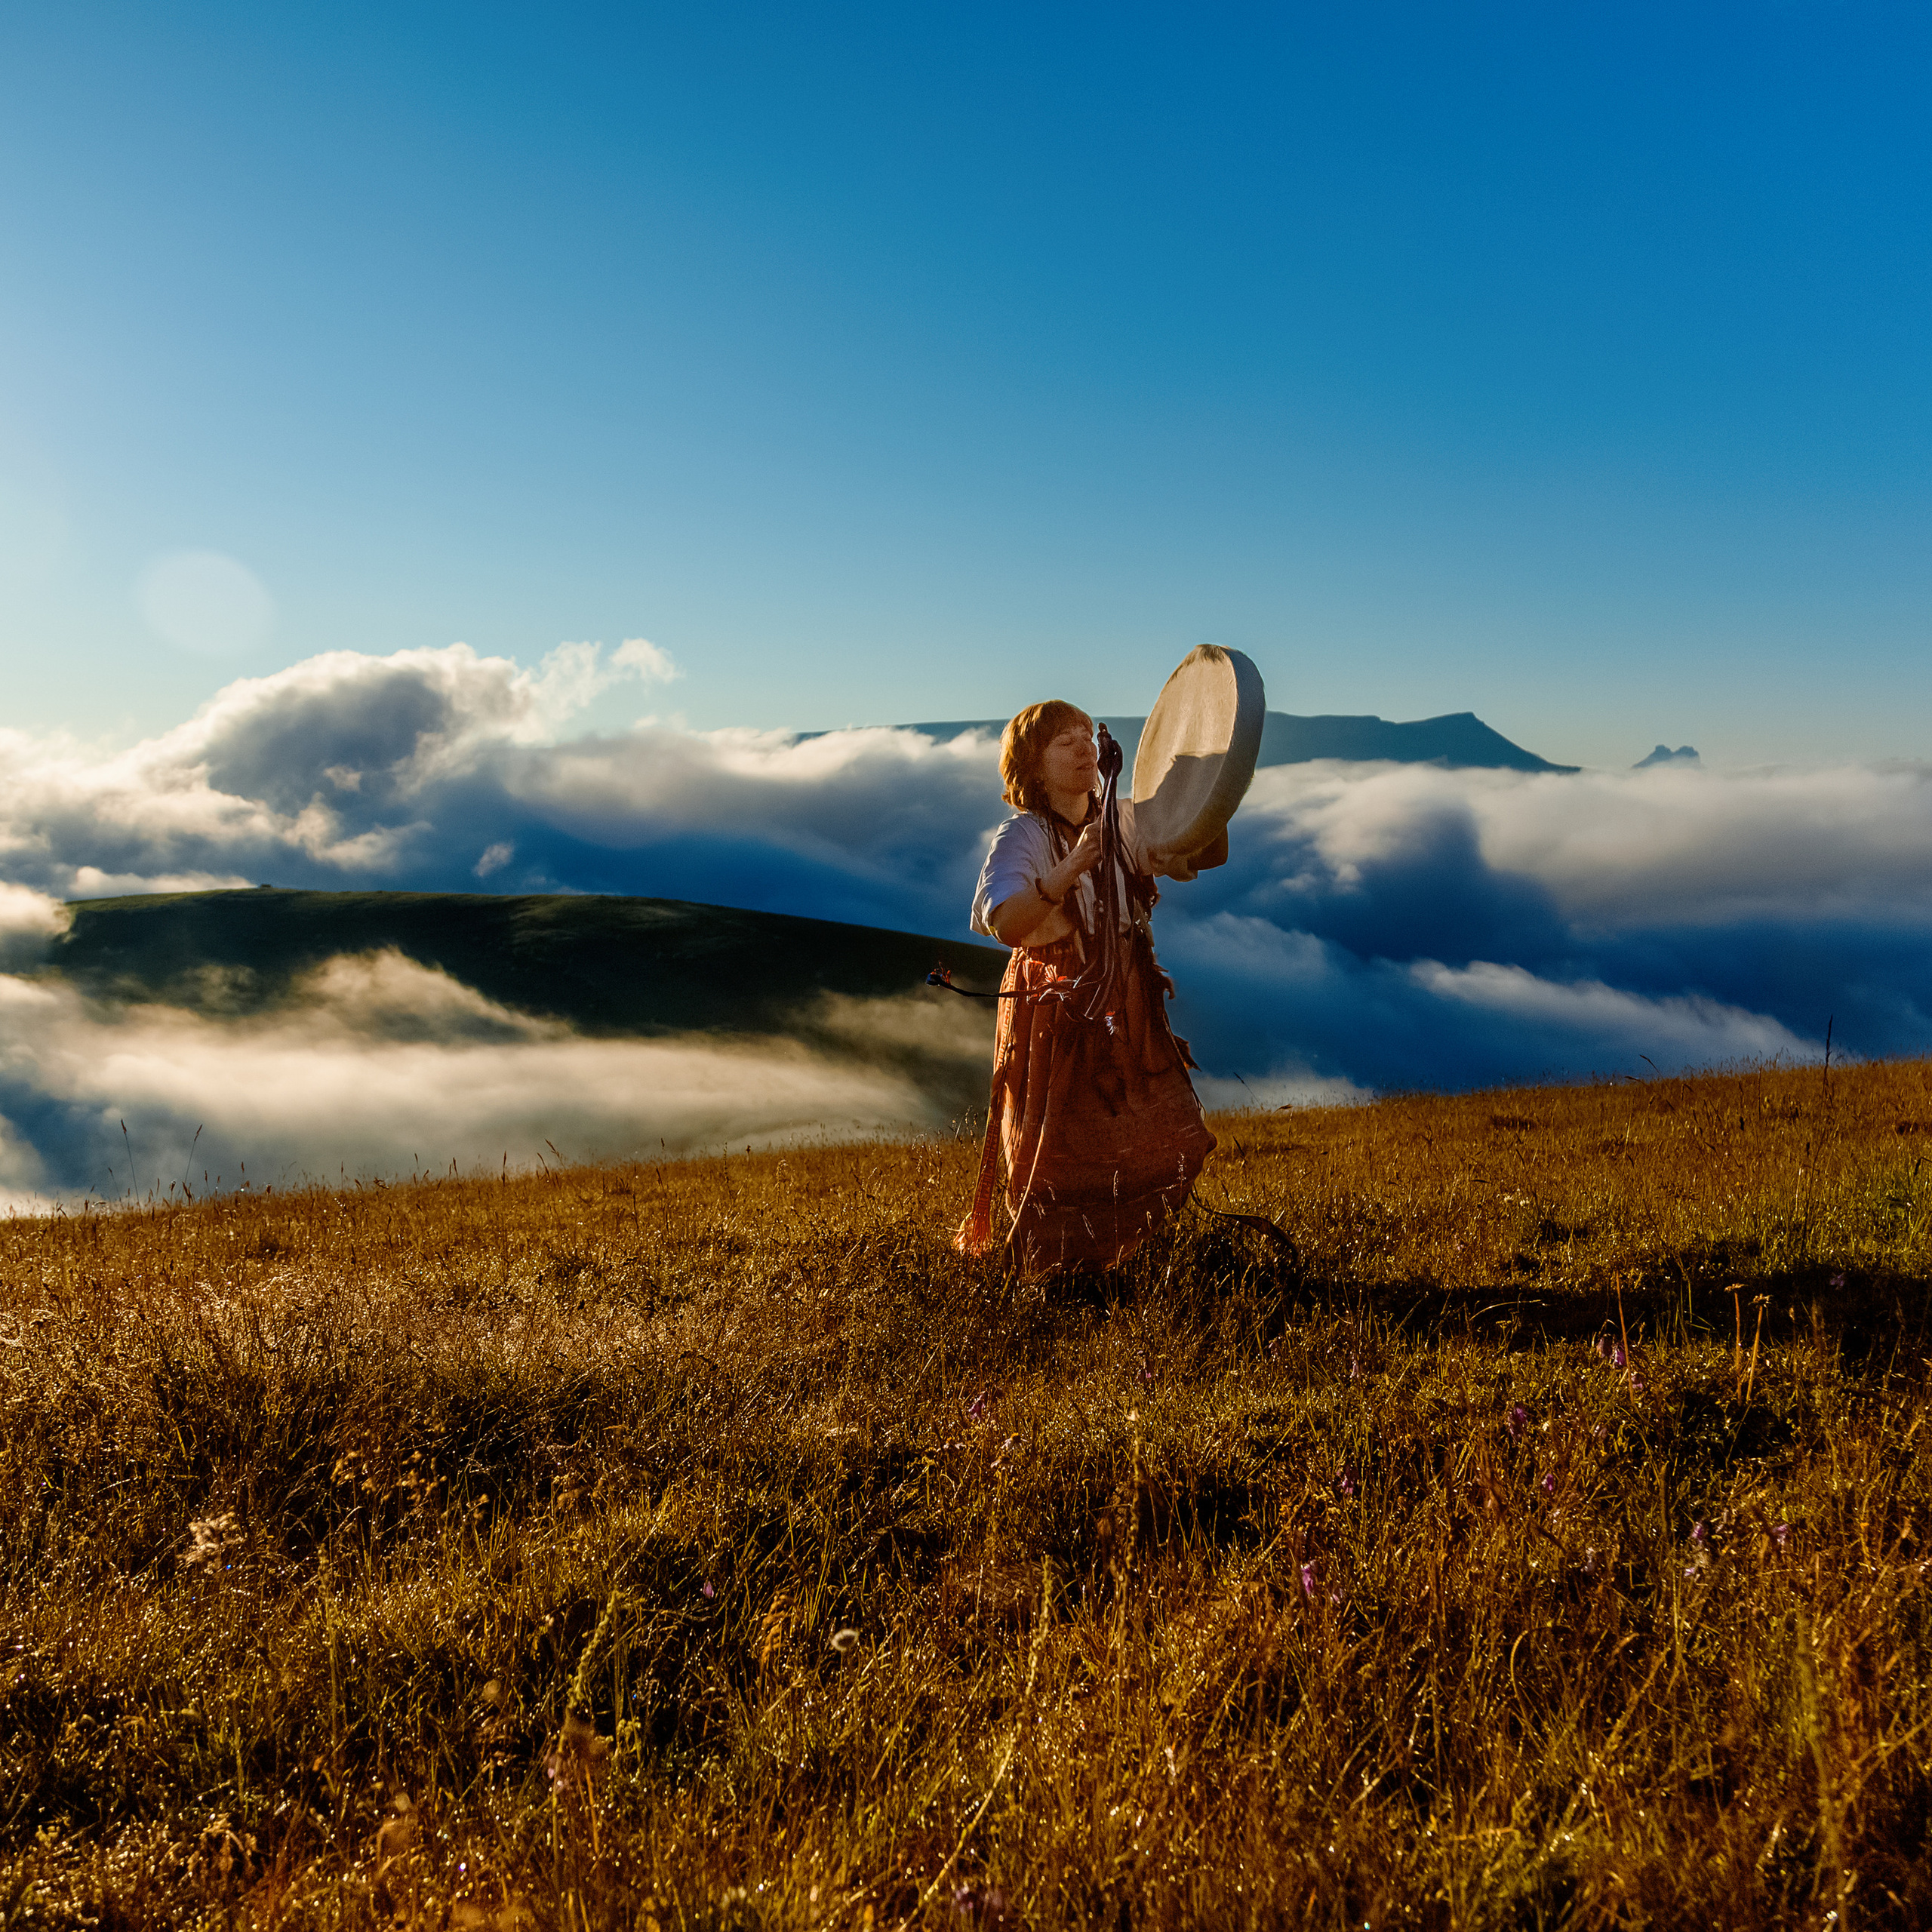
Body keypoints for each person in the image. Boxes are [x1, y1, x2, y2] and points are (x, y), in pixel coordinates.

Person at [956, 700, 1217, 1269]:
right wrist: (1069, 869)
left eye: (1085, 737)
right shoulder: (1020, 836)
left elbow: (1198, 852)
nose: (1083, 749)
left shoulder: (1122, 818)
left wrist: (1206, 790)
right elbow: (1005, 921)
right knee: (1060, 1147)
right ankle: (1058, 1272)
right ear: (1032, 762)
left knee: (1151, 1125)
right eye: (1063, 741)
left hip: (1127, 994)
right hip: (1057, 1005)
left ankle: (1143, 1254)